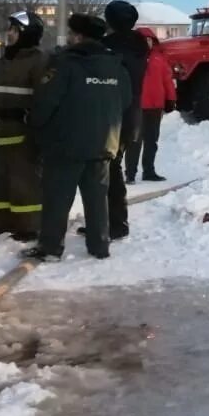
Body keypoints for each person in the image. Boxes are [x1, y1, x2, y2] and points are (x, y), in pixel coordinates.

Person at [25, 13, 131, 261]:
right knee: (97, 199)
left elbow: (45, 102)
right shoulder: (116, 65)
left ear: (79, 36)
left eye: (72, 33)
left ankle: (50, 247)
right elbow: (125, 101)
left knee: (57, 198)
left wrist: (35, 127)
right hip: (104, 144)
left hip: (66, 145)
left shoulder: (65, 64)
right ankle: (100, 246)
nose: (70, 38)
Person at [0, 12, 49, 242]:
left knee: (23, 183)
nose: (9, 34)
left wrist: (37, 130)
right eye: (9, 29)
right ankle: (4, 224)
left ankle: (28, 226)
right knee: (0, 183)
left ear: (26, 34)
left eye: (14, 30)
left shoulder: (39, 61)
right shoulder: (3, 62)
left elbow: (44, 101)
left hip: (24, 136)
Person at [101, 1, 150, 238]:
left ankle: (115, 224)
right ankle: (111, 221)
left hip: (112, 116)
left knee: (107, 169)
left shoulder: (109, 49)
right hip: (132, 114)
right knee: (112, 167)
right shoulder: (139, 47)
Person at [125, 26, 176, 184]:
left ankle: (149, 171)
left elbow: (167, 80)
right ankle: (131, 174)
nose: (146, 42)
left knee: (152, 140)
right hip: (137, 105)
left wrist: (170, 99)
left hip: (156, 105)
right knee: (135, 141)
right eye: (143, 40)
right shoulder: (130, 58)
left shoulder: (159, 58)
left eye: (149, 39)